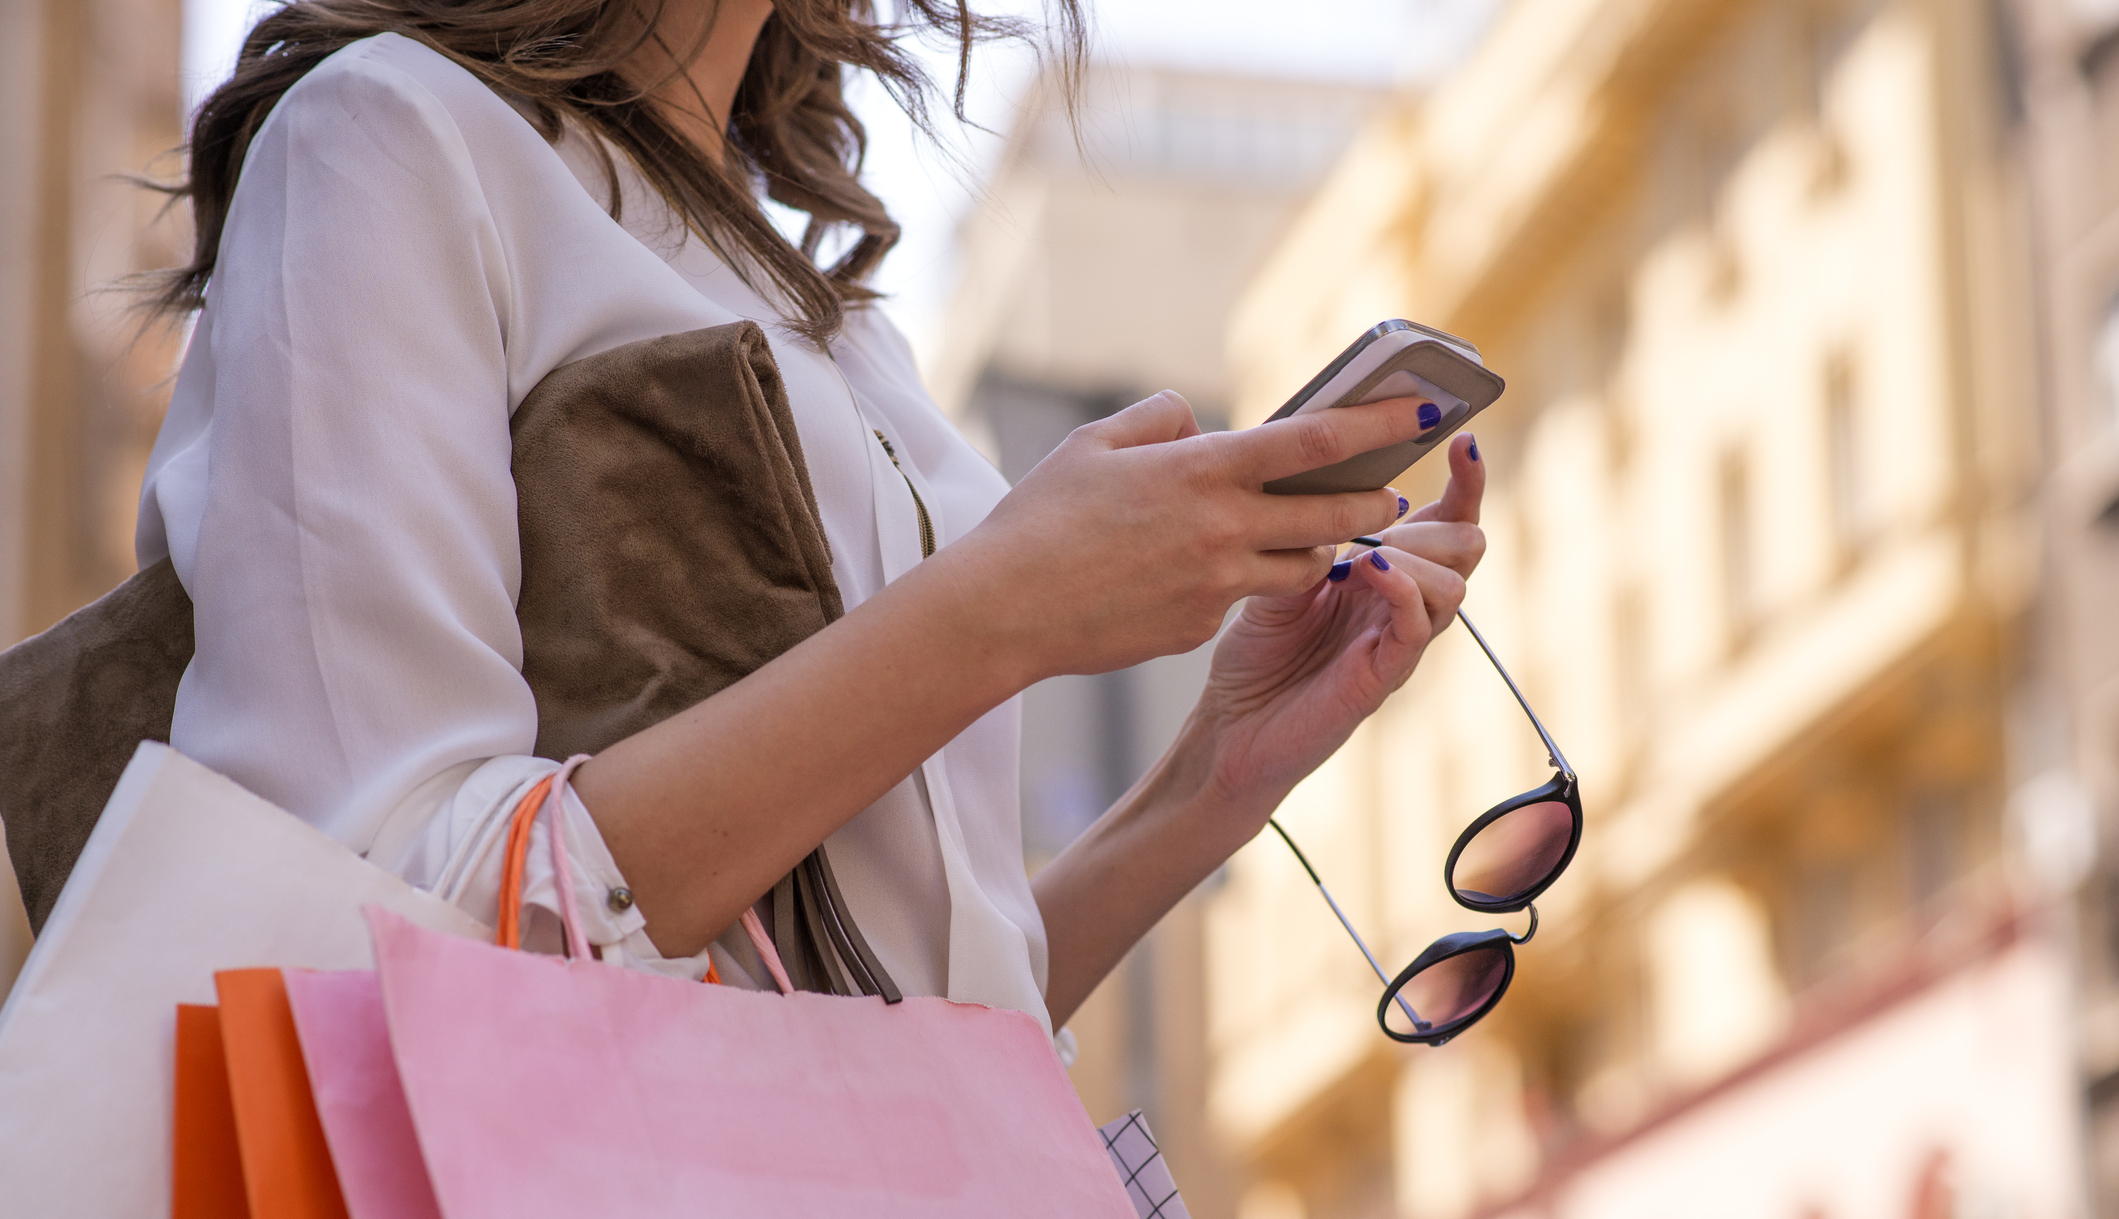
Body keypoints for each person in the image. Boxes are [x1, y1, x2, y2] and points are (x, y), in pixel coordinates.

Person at [140, 0, 1487, 1037]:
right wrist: (999, 613)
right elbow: (368, 914)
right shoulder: (387, 136)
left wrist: (1213, 779)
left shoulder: (838, 328)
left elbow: (922, 1027)